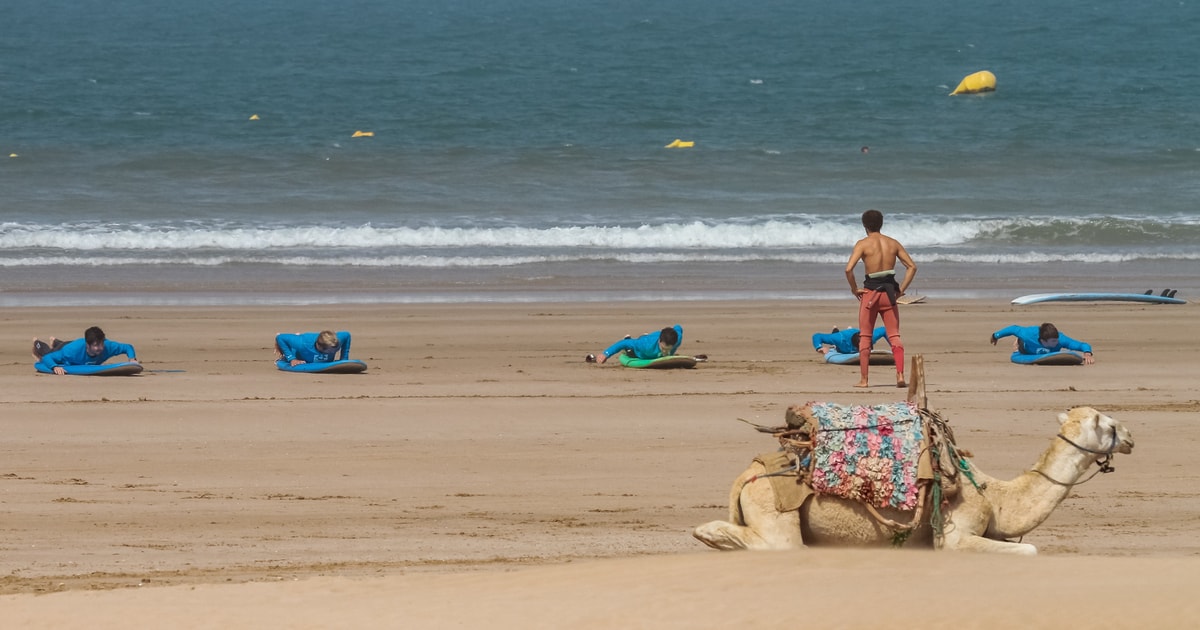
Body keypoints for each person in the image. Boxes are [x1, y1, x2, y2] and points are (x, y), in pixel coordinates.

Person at [844, 209, 917, 388]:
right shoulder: (893, 243)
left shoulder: (863, 244)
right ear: (881, 223)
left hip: (870, 295)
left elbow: (848, 269)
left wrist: (854, 289)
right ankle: (900, 376)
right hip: (889, 294)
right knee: (894, 335)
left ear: (864, 225)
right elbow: (912, 267)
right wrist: (901, 291)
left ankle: (864, 380)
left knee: (866, 336)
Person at [34, 326, 138, 376]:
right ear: (87, 345)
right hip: (65, 348)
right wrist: (55, 367)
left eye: (101, 343)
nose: (100, 348)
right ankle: (37, 341)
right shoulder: (71, 352)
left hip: (73, 344)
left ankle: (55, 341)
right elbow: (47, 358)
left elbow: (128, 347)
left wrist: (132, 359)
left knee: (63, 344)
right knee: (46, 353)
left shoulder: (107, 346)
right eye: (96, 345)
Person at [990, 323, 1095, 364]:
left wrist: (1087, 353)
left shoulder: (1061, 339)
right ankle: (1016, 346)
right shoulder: (1028, 335)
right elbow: (1013, 329)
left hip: (1039, 346)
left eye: (1056, 339)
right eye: (1053, 341)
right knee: (1019, 343)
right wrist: (995, 336)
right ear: (1043, 341)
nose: (1057, 342)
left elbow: (1082, 345)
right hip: (1025, 348)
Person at [588, 325, 683, 364]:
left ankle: (645, 335)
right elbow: (623, 343)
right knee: (629, 347)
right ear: (659, 342)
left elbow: (678, 327)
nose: (665, 352)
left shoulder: (677, 338)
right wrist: (606, 354)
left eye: (668, 349)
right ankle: (629, 337)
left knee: (645, 338)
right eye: (663, 349)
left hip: (650, 337)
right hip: (638, 350)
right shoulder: (646, 345)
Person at [275, 330, 352, 366]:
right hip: (300, 346)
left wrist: (344, 359)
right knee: (287, 343)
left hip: (318, 341)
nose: (333, 352)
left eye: (335, 350)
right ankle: (296, 336)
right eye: (330, 351)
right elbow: (280, 338)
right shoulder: (302, 344)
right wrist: (291, 358)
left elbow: (347, 335)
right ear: (319, 346)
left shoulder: (337, 341)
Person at [811, 326, 888, 356]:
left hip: (856, 333)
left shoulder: (871, 336)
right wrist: (819, 347)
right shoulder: (840, 339)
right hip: (842, 340)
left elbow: (884, 330)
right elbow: (817, 336)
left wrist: (893, 346)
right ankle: (835, 330)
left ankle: (849, 329)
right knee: (835, 343)